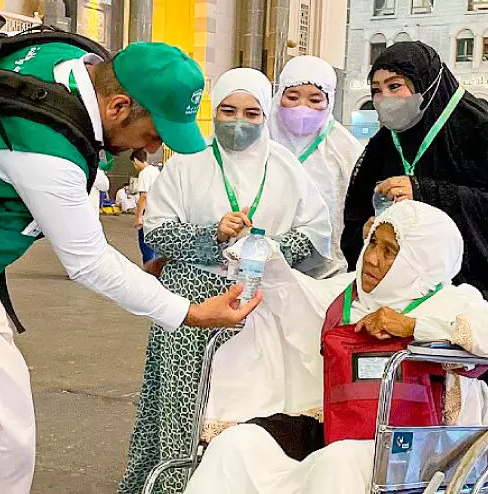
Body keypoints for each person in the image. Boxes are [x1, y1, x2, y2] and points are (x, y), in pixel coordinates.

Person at [0, 41, 261, 494]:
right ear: (119, 105)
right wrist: (188, 313)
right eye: (152, 133)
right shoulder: (47, 147)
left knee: (6, 432)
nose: (153, 146)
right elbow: (88, 261)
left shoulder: (62, 58)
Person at [339, 41, 488, 492]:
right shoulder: (383, 146)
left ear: (429, 86)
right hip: (414, 307)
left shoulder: (487, 133)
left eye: (396, 86)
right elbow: (355, 219)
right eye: (377, 89)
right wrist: (374, 232)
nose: (386, 99)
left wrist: (428, 193)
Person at [184, 200, 488, 494]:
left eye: (390, 251)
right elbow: (297, 297)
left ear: (420, 260)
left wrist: (413, 326)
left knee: (339, 460)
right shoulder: (348, 292)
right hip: (337, 426)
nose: (371, 258)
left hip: (418, 445)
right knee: (236, 445)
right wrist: (267, 260)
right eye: (373, 243)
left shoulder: (452, 301)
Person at [118, 67, 334, 494]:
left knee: (249, 409)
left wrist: (264, 250)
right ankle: (175, 485)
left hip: (258, 302)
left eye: (251, 113)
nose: (238, 121)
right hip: (190, 306)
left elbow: (316, 233)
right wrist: (212, 235)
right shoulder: (187, 165)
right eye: (228, 110)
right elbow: (157, 231)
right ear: (213, 111)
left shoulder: (286, 168)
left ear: (265, 115)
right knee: (183, 406)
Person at [270, 56, 363, 275]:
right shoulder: (262, 138)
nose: (303, 107)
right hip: (262, 261)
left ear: (329, 101)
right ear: (279, 95)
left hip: (326, 270)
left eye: (315, 100)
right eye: (293, 97)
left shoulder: (344, 148)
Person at [132, 148, 160, 264]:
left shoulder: (144, 173)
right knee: (156, 247)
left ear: (135, 160)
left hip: (148, 214)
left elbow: (144, 196)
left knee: (146, 247)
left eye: (133, 164)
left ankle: (149, 271)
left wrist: (139, 216)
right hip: (158, 213)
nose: (135, 167)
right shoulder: (155, 171)